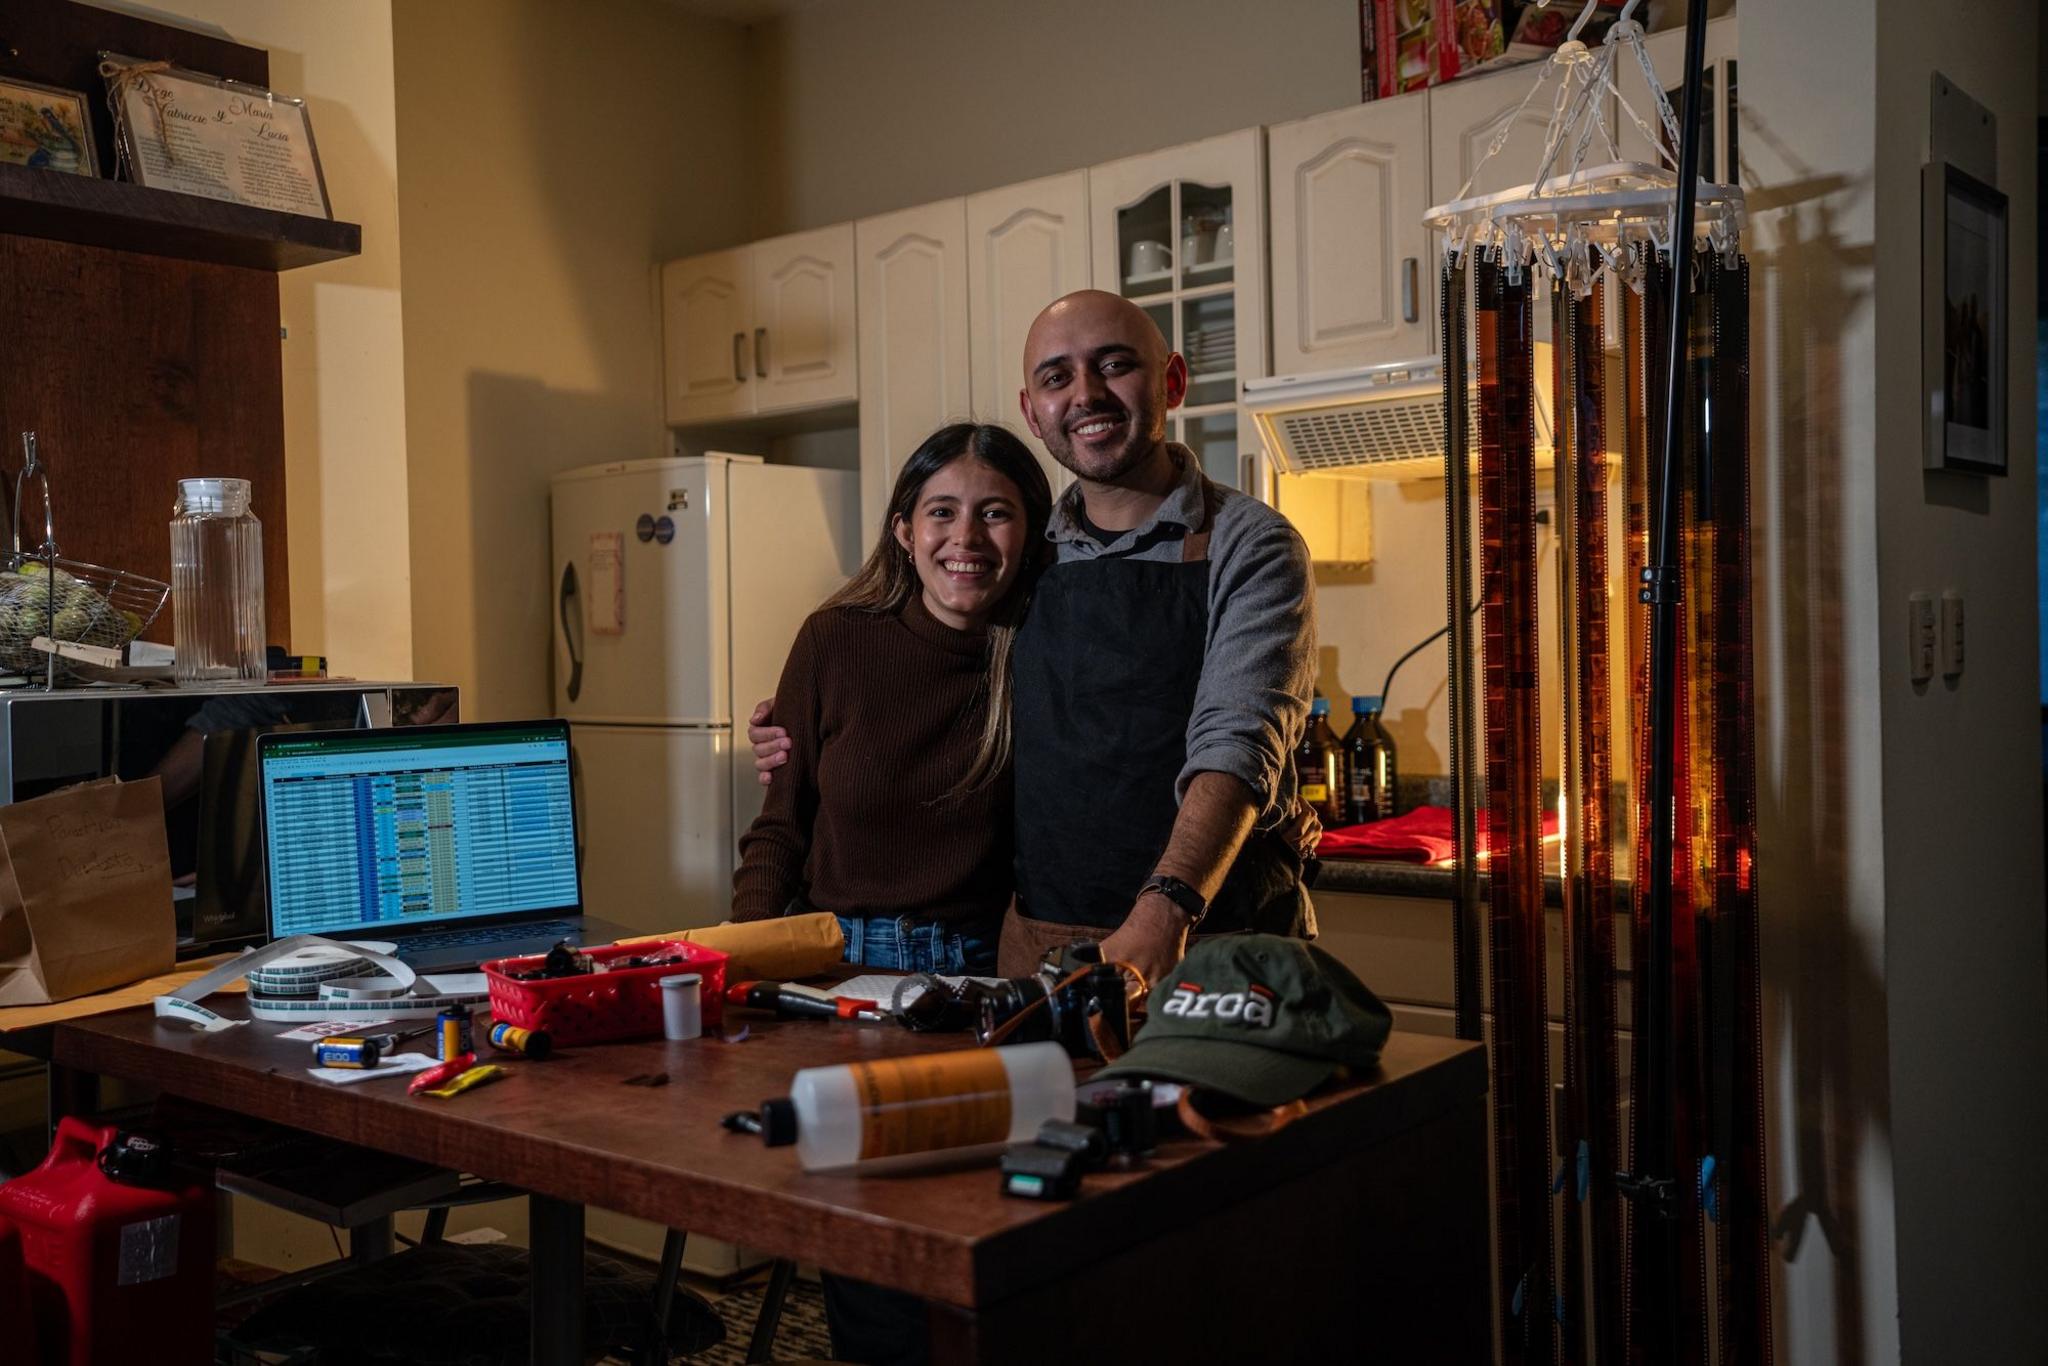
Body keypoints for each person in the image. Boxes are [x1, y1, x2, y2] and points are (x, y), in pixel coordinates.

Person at [754, 289, 1317, 988]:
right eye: (1057, 377)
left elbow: (1238, 740)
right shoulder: (1032, 559)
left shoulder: (1251, 544)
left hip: (1209, 935)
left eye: (1114, 366)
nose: (1086, 395)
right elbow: (929, 670)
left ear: (1172, 382)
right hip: (1038, 949)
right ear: (1033, 409)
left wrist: (1170, 906)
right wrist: (798, 732)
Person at [729, 422, 1052, 976]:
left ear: (1030, 535)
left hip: (976, 968)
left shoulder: (1049, 658)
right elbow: (780, 830)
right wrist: (744, 958)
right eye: (942, 512)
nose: (967, 536)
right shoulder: (832, 640)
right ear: (905, 532)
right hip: (826, 957)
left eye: (995, 513)